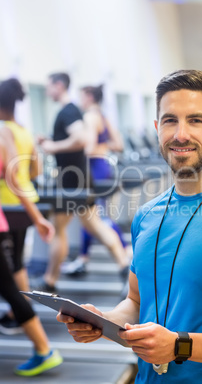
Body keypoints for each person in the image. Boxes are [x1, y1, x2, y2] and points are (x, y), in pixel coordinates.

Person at [57, 69, 202, 383]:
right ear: (157, 128)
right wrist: (102, 321)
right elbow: (136, 302)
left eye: (195, 120)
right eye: (170, 120)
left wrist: (180, 346)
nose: (180, 134)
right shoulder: (145, 216)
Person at [38, 73, 129, 291]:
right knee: (95, 224)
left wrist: (52, 147)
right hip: (82, 176)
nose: (47, 91)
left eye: (49, 86)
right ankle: (125, 265)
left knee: (60, 229)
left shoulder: (69, 110)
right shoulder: (80, 112)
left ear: (59, 86)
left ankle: (49, 280)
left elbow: (81, 140)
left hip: (72, 179)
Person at [0, 117, 62, 376]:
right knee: (14, 273)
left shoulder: (5, 130)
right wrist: (36, 218)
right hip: (8, 215)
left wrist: (38, 219)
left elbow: (15, 175)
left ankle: (43, 349)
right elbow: (23, 174)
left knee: (10, 287)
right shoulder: (11, 131)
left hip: (7, 215)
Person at [62, 84, 129, 276]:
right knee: (92, 215)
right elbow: (118, 144)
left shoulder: (90, 116)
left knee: (92, 216)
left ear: (90, 97)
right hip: (103, 165)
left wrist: (70, 147)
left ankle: (120, 251)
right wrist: (102, 144)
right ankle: (85, 257)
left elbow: (88, 147)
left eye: (82, 97)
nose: (80, 101)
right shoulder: (103, 116)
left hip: (92, 167)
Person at [0, 78, 47, 333]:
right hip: (27, 199)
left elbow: (8, 171)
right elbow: (35, 169)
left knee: (13, 263)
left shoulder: (2, 129)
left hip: (8, 203)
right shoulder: (23, 130)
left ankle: (20, 310)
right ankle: (20, 308)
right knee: (16, 259)